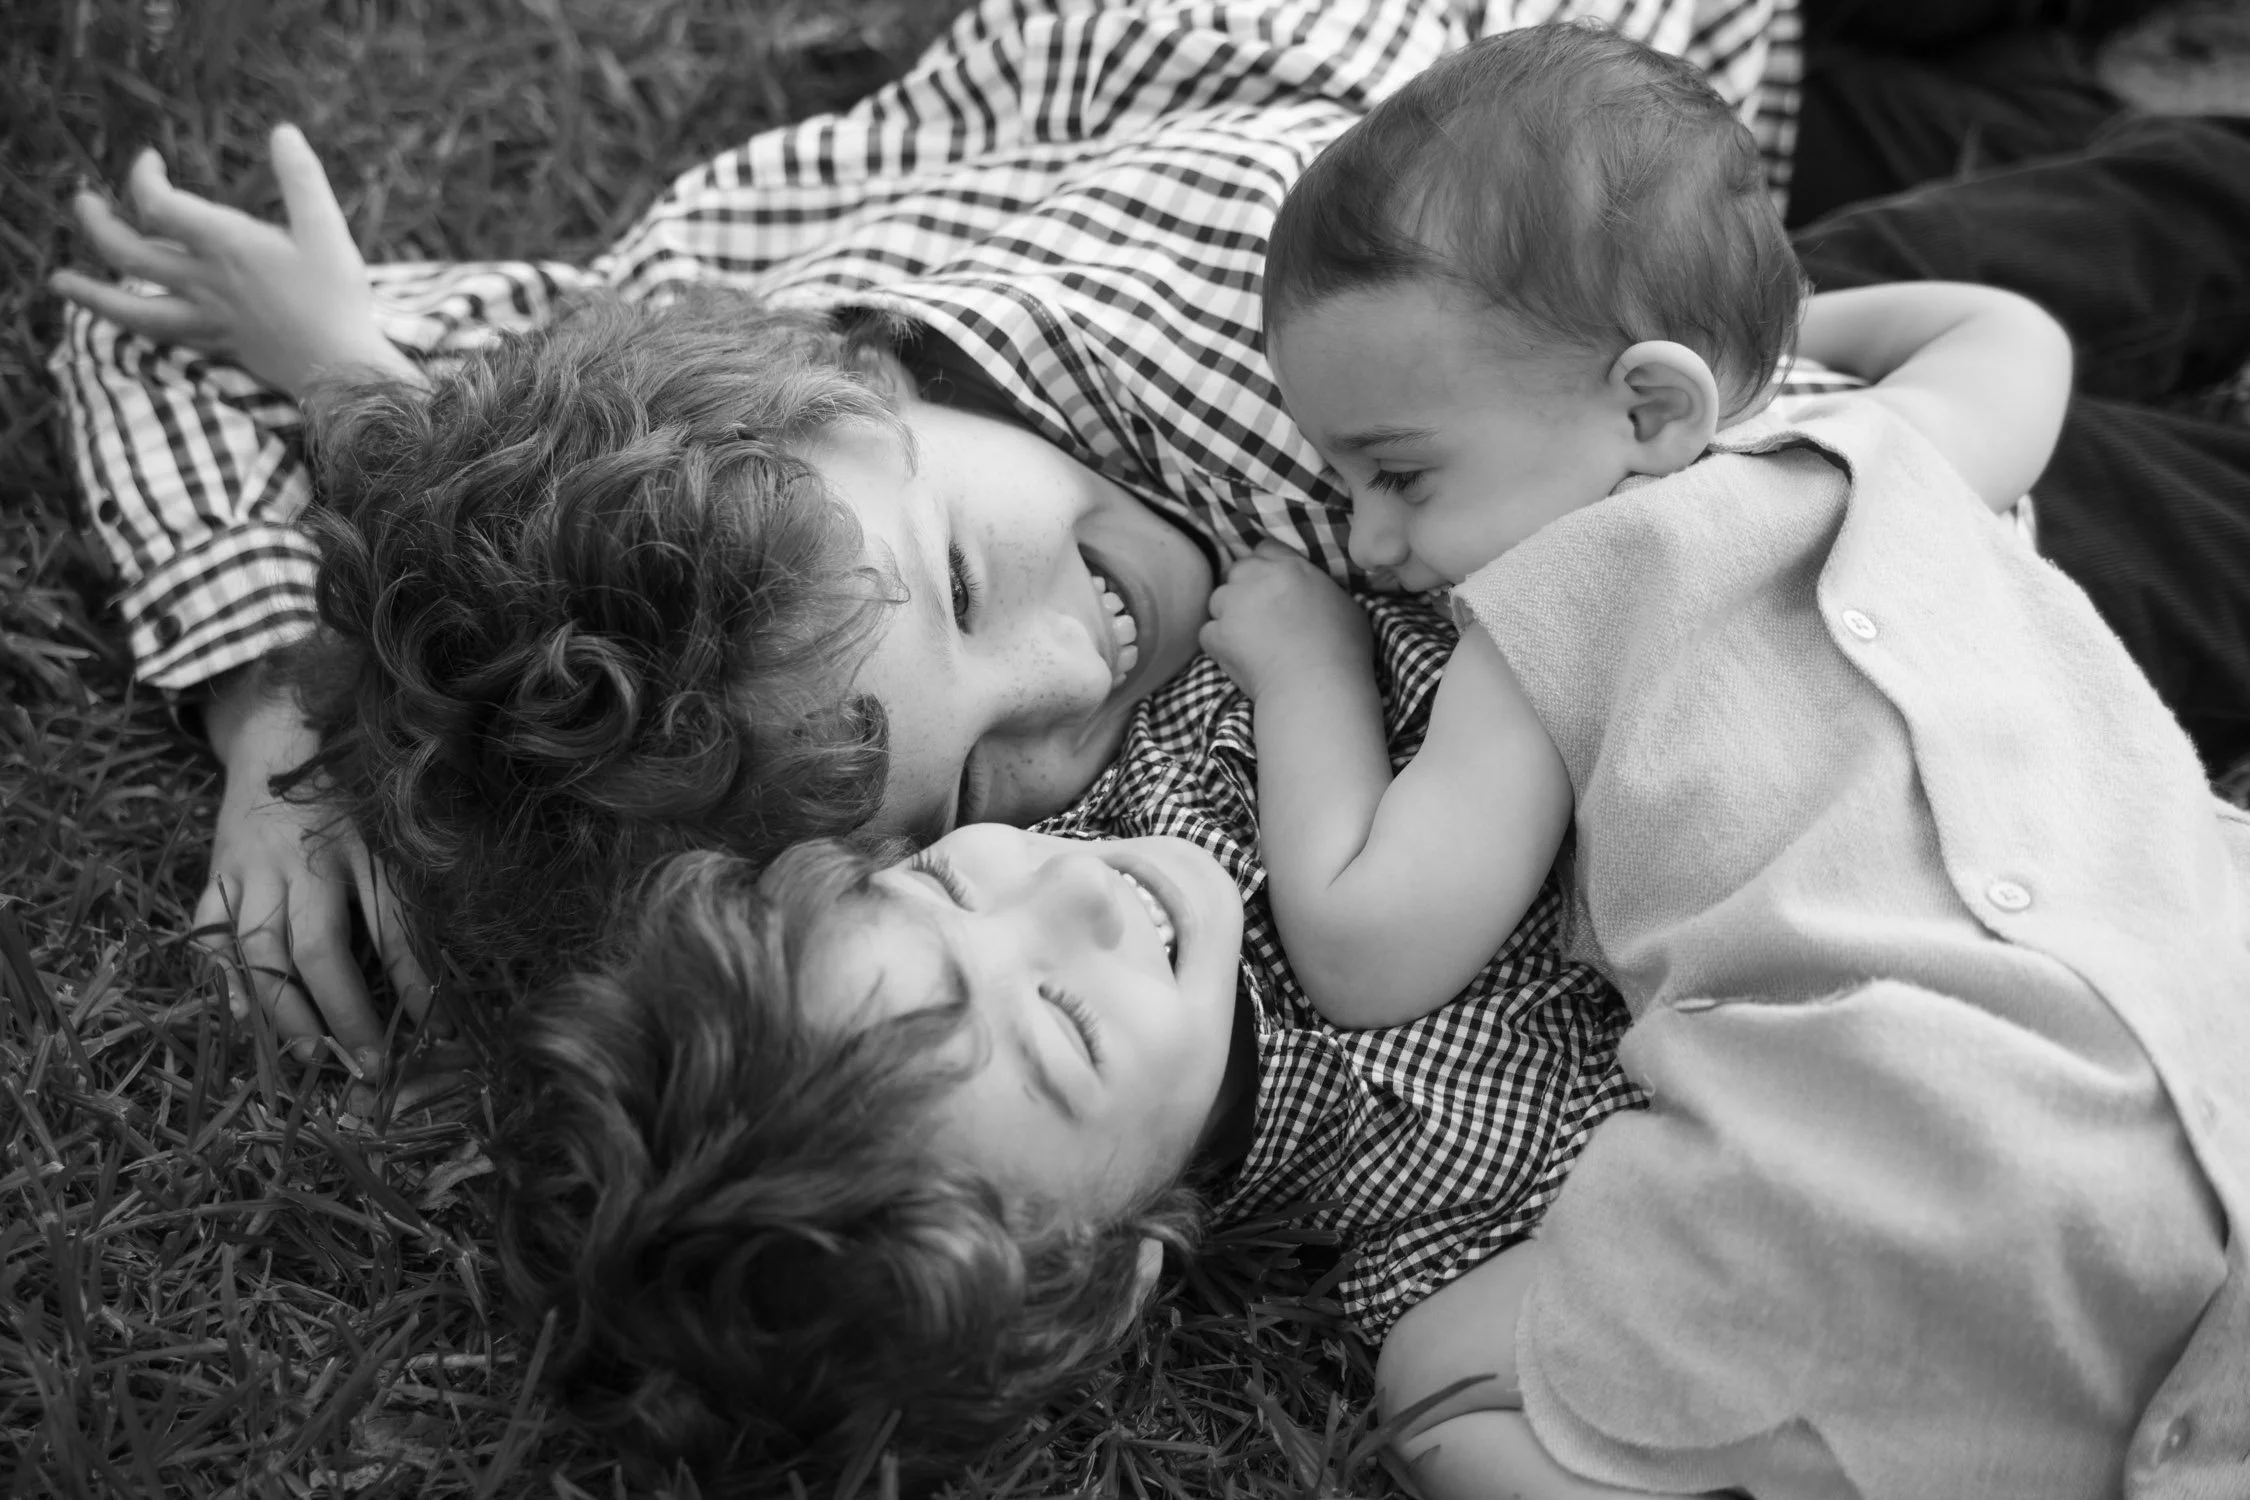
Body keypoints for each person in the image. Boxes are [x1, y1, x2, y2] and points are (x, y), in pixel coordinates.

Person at [46, 0, 2250, 1075]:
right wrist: (277, 673)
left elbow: (156, 337)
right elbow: (158, 374)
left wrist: (304, 646)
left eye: (982, 587)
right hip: (1836, 465)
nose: (1080, 673)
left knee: (2070, 194)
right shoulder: (719, 492)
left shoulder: (715, 315)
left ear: (828, 374)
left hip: (1642, 145)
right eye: (983, 775)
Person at [1204, 24, 2249, 1498]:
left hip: (1928, 1131)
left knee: (1434, 1378)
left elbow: (1370, 945)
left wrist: (1303, 658)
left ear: (1649, 412)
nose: (1370, 540)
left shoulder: (1567, 595)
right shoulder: (1886, 450)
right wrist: (1782, 341)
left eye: (1399, 473)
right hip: (2206, 1001)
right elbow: (2013, 337)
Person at [493, 593, 1645, 1489]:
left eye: (942, 890)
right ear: (1120, 1266)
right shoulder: (1435, 1233)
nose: (1076, 900)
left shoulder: (1113, 728)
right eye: (1064, 1024)